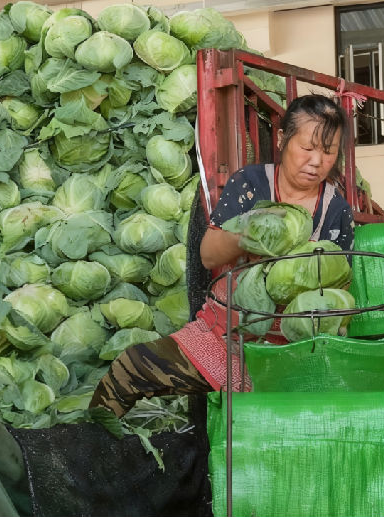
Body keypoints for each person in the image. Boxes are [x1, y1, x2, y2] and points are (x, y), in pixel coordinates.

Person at [89, 94, 356, 417]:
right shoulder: (250, 183)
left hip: (289, 353)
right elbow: (208, 255)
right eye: (308, 148)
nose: (316, 161)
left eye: (328, 152)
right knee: (131, 368)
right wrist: (249, 233)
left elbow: (340, 285)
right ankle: (92, 446)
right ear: (283, 139)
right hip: (222, 338)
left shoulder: (336, 211)